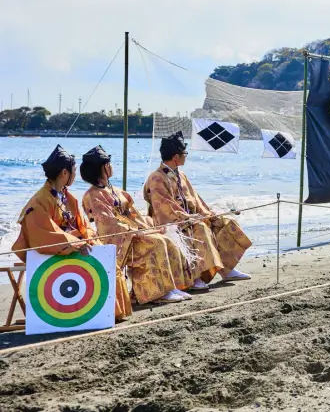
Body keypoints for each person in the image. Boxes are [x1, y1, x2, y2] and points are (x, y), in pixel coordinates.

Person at [12, 145, 132, 321]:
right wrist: (76, 244)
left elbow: (84, 225)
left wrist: (89, 239)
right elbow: (44, 234)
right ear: (64, 173)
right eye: (73, 171)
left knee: (105, 256)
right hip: (49, 250)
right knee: (96, 259)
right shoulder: (38, 203)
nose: (76, 175)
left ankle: (112, 312)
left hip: (70, 245)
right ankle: (103, 313)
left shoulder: (67, 197)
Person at [81, 145, 193, 305]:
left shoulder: (115, 190)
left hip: (132, 233)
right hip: (120, 239)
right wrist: (136, 232)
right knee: (157, 243)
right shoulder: (93, 195)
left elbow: (133, 214)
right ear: (104, 167)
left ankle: (170, 286)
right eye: (109, 164)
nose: (111, 167)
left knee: (166, 239)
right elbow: (108, 223)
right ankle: (157, 292)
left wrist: (149, 227)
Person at [143, 132, 252, 291]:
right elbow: (165, 207)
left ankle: (226, 269)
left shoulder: (182, 175)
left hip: (191, 218)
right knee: (200, 228)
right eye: (184, 154)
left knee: (224, 222)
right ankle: (197, 276)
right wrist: (189, 217)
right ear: (175, 157)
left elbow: (195, 199)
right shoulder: (156, 178)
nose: (186, 156)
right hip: (174, 223)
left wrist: (208, 213)